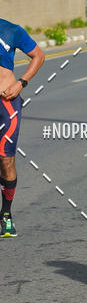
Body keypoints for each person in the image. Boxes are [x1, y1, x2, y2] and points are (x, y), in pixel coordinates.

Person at [0, 18, 45, 237]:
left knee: (6, 159)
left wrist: (21, 82)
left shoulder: (11, 30)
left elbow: (38, 55)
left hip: (6, 104)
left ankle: (6, 214)